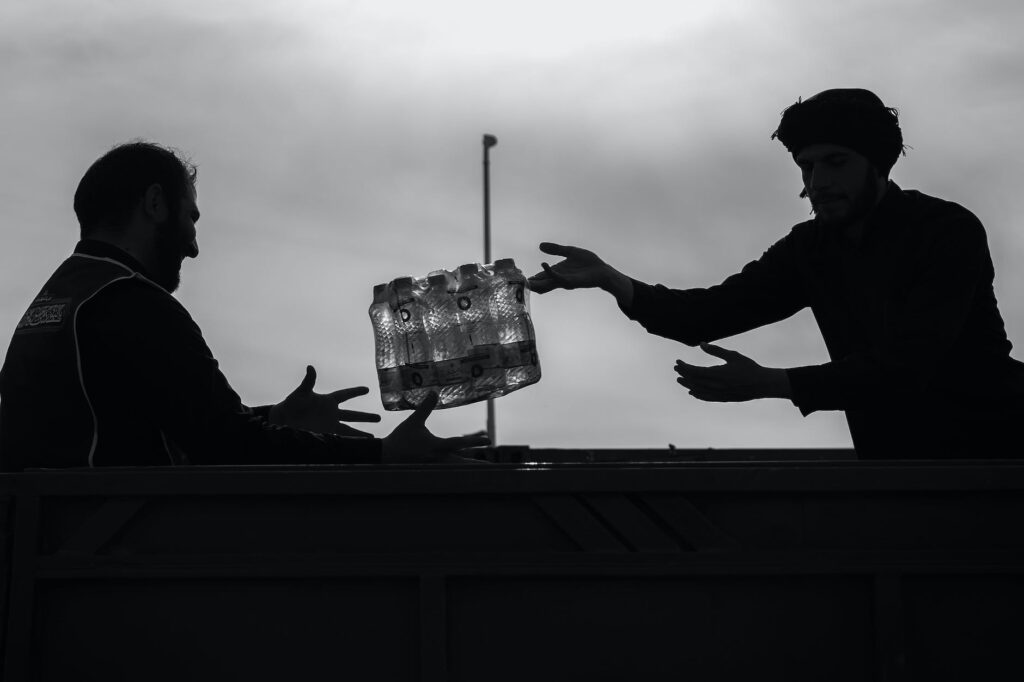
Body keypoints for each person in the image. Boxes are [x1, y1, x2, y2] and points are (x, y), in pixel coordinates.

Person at [530, 88, 1024, 459]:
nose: (817, 182)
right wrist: (613, 281)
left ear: (879, 165)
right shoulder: (811, 250)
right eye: (806, 167)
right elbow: (707, 314)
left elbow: (909, 364)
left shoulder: (945, 231)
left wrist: (775, 382)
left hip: (998, 462)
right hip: (898, 476)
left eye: (835, 163)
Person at [0, 141, 487, 471]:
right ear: (154, 204)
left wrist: (275, 416)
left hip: (53, 540)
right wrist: (382, 455)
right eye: (190, 217)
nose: (192, 246)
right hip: (109, 556)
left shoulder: (62, 299)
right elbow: (223, 442)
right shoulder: (131, 303)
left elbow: (176, 422)